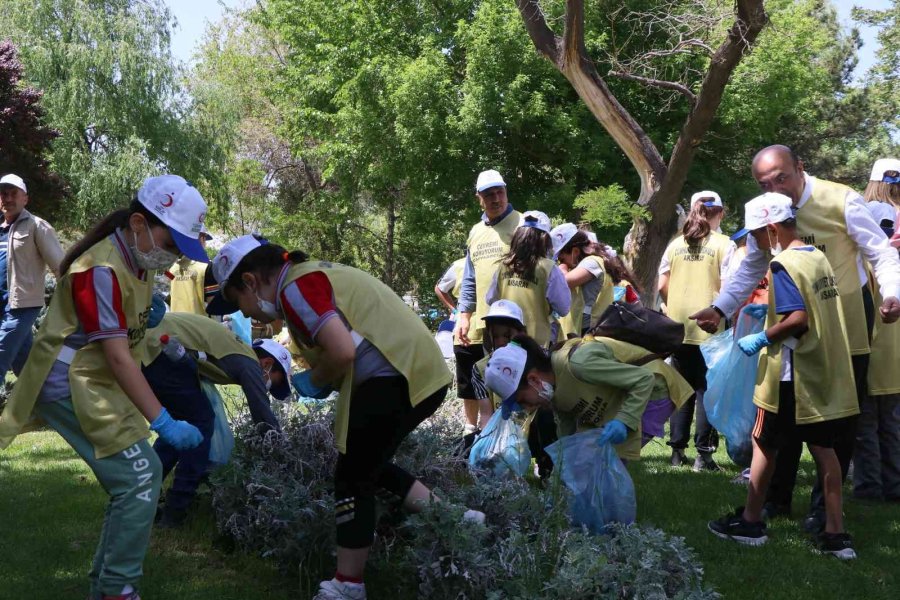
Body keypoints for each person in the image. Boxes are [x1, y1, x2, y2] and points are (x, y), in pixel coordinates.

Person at [205, 234, 483, 600]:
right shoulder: (307, 276)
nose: (242, 312)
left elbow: (341, 350)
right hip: (415, 369)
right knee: (370, 465)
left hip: (395, 373)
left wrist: (315, 379)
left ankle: (348, 584)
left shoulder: (294, 287)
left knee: (352, 476)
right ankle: (458, 519)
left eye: (237, 300)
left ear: (251, 282)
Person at [0, 174, 208, 600]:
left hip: (92, 378)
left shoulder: (133, 255)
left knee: (138, 476)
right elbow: (115, 355)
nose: (172, 255)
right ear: (138, 223)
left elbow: (123, 339)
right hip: (68, 379)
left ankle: (109, 586)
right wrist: (163, 420)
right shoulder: (100, 267)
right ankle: (117, 589)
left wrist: (147, 311)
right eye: (171, 243)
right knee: (139, 477)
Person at [690, 145, 900, 532]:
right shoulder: (767, 215)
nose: (775, 188)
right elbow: (752, 263)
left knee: (837, 428)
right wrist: (720, 308)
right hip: (789, 335)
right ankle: (774, 501)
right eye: (764, 182)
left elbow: (880, 252)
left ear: (800, 168)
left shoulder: (841, 200)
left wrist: (892, 293)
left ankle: (824, 513)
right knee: (780, 420)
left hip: (844, 333)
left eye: (781, 178)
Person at [708, 192, 858, 559]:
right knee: (825, 451)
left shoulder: (782, 265)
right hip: (819, 372)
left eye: (757, 235)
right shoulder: (816, 256)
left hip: (788, 375)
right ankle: (836, 536)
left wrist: (761, 337)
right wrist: (771, 315)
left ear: (772, 229)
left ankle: (751, 521)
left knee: (764, 444)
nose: (755, 244)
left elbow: (797, 319)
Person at [483, 333, 692, 465]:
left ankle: (614, 526)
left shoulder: (579, 365)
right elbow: (566, 426)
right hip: (616, 399)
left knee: (609, 461)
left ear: (534, 379)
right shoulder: (552, 391)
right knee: (591, 460)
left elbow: (643, 380)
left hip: (653, 390)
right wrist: (564, 461)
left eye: (521, 400)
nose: (525, 407)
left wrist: (623, 420)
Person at [658, 191, 735, 471]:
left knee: (682, 390)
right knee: (707, 391)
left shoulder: (676, 244)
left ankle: (677, 453)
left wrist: (675, 304)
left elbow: (661, 284)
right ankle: (704, 455)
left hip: (678, 327)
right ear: (721, 212)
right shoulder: (725, 245)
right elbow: (729, 288)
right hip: (710, 328)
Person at [455, 169, 522, 440]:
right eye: (489, 194)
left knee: (517, 385)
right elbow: (469, 279)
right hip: (487, 325)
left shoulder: (523, 224)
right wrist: (464, 315)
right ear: (478, 199)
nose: (496, 198)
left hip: (516, 324)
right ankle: (493, 441)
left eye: (500, 192)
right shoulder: (475, 232)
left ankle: (524, 445)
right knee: (489, 385)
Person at [855, 158, 900, 502]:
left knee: (866, 423)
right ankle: (893, 485)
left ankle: (870, 487)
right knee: (892, 424)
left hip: (870, 347)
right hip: (894, 353)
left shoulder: (865, 254)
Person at [0, 173, 64, 378]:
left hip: (21, 306)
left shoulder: (37, 226)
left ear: (25, 198)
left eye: (13, 194)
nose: (8, 199)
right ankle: (41, 405)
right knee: (25, 365)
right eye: (3, 194)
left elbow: (61, 267)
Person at [487, 210, 569, 348]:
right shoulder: (548, 268)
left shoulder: (503, 266)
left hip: (507, 342)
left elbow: (490, 299)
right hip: (537, 343)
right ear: (545, 239)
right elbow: (563, 307)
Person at [552, 224, 640, 335]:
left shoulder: (592, 262)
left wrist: (562, 268)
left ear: (575, 251)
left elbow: (564, 282)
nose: (562, 263)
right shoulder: (589, 263)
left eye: (562, 259)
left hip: (589, 332)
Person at [166, 226, 214, 315]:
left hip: (176, 322)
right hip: (198, 325)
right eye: (205, 240)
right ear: (201, 239)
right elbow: (214, 303)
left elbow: (167, 286)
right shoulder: (206, 268)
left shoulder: (172, 268)